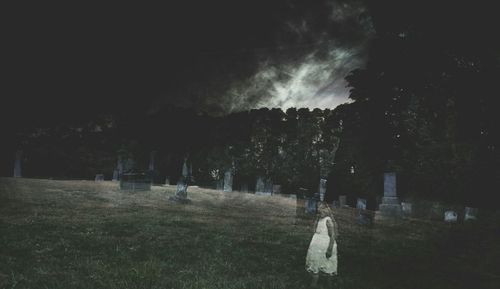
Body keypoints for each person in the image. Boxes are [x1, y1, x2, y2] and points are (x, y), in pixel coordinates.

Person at [305, 202, 338, 287]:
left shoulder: (328, 220)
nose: (320, 213)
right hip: (317, 247)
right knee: (315, 265)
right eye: (319, 211)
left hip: (325, 247)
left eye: (322, 210)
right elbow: (314, 231)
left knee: (327, 267)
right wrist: (316, 220)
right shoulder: (319, 219)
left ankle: (328, 285)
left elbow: (332, 236)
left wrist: (330, 249)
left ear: (327, 210)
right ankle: (313, 284)